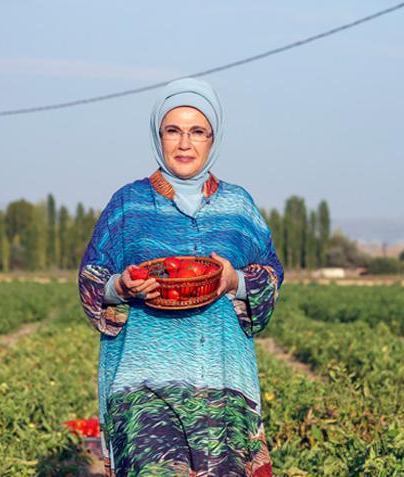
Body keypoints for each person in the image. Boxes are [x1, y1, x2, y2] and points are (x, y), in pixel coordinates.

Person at [78, 77, 284, 477]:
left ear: (213, 138)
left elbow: (270, 272)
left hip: (223, 381)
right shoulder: (128, 204)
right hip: (143, 383)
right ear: (159, 137)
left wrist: (234, 281)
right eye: (173, 131)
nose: (185, 144)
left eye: (197, 132)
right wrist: (121, 287)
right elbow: (91, 278)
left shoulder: (238, 206)